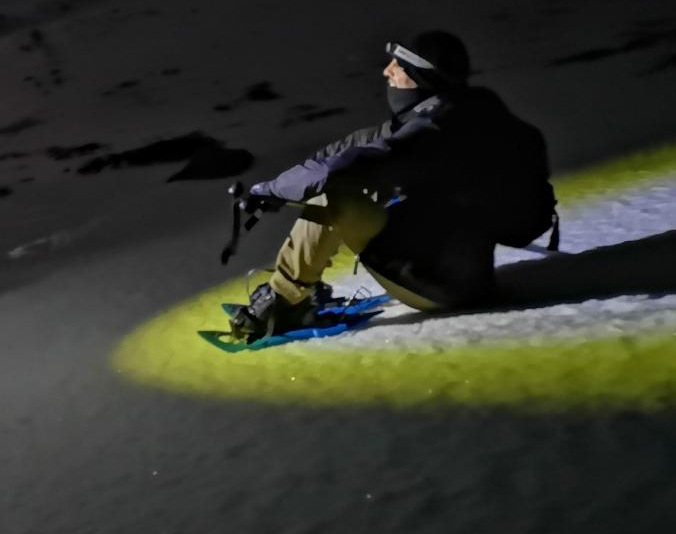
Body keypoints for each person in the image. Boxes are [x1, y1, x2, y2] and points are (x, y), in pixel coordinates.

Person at [234, 31, 558, 341]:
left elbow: (347, 165)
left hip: (436, 283)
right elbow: (352, 148)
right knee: (350, 183)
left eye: (398, 66)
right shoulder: (451, 115)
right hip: (470, 277)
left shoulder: (436, 131)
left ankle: (284, 304)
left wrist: (274, 191)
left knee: (333, 199)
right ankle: (300, 285)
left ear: (421, 77)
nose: (387, 71)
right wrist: (273, 187)